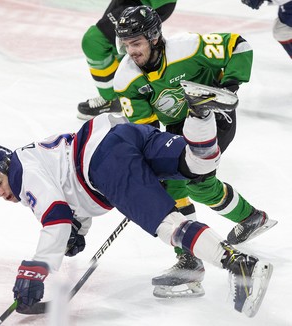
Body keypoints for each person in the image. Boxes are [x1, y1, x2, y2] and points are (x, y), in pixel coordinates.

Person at [0, 97, 273, 317]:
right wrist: (80, 227)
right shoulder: (32, 158)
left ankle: (240, 265)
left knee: (169, 225)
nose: (0, 192)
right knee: (196, 163)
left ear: (5, 166)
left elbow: (56, 218)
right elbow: (67, 187)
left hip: (105, 161)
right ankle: (200, 111)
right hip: (122, 133)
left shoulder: (21, 174)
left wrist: (35, 272)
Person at [112, 5, 278, 298]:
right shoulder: (127, 79)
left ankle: (190, 259)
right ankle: (250, 218)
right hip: (177, 126)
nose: (131, 51)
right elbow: (146, 131)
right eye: (126, 45)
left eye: (135, 43)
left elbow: (238, 45)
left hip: (213, 115)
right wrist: (153, 165)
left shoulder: (187, 48)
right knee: (181, 183)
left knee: (192, 180)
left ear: (153, 37)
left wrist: (229, 86)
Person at [77, 0, 177, 120]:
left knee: (95, 41)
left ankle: (114, 99)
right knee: (120, 45)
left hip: (144, 4)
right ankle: (129, 95)